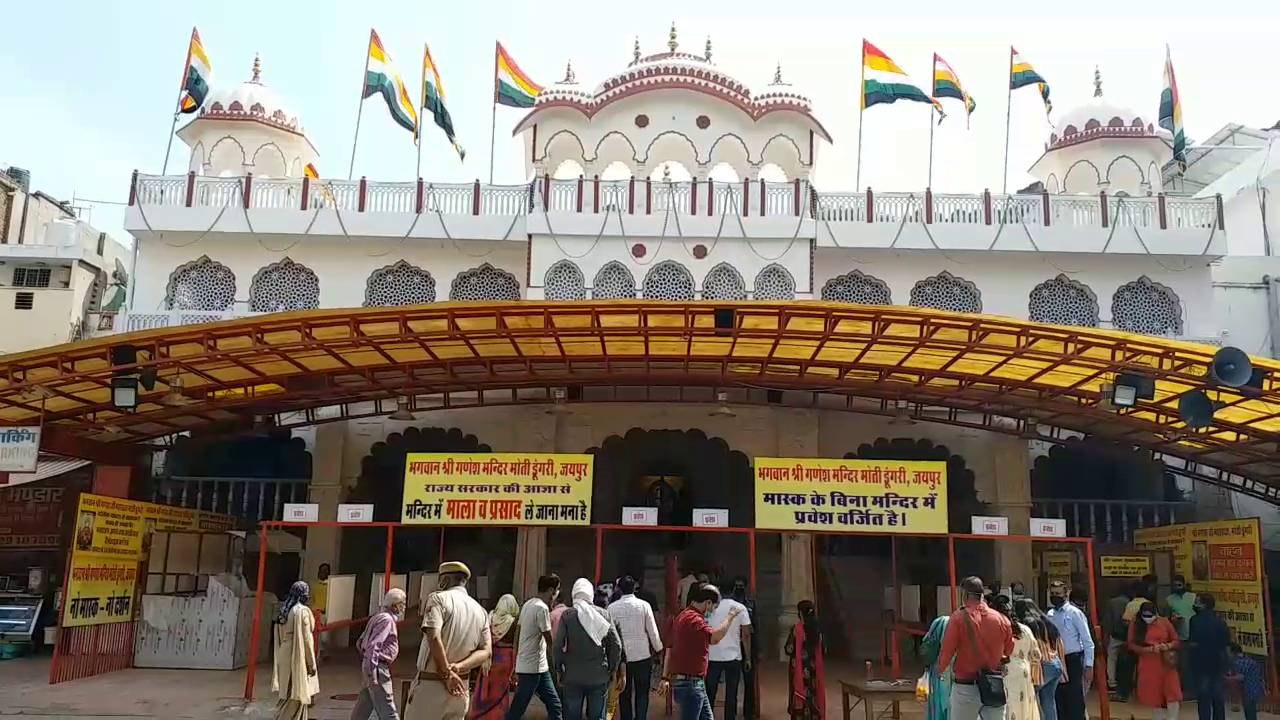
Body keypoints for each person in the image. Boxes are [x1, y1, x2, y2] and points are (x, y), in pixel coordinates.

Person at [405, 561, 492, 720]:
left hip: (431, 688)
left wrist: (447, 674)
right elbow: (486, 651)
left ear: (444, 581)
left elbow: (434, 636)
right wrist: (458, 668)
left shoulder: (438, 599)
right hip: (460, 689)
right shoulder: (480, 611)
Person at [659, 583, 743, 720]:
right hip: (691, 684)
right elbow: (714, 638)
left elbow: (670, 648)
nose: (712, 611)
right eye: (713, 607)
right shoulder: (695, 619)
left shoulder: (682, 616)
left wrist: (665, 677)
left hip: (693, 683)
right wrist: (730, 617)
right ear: (708, 602)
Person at [937, 576, 1014, 720]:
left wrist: (939, 671)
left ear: (964, 594)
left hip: (966, 687)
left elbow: (946, 652)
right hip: (994, 685)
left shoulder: (958, 619)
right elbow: (1009, 649)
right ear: (982, 595)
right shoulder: (1001, 619)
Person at [552, 578, 622, 720]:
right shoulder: (604, 614)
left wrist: (558, 670)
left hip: (572, 676)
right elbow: (616, 645)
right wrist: (612, 669)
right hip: (598, 675)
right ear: (590, 594)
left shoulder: (568, 615)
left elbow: (557, 645)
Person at [607, 575, 663, 720]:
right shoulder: (644, 606)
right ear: (635, 588)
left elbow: (610, 635)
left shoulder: (612, 608)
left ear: (619, 589)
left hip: (622, 659)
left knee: (624, 693)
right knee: (642, 693)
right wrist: (659, 649)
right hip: (642, 656)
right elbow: (652, 630)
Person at [508, 575, 564, 720]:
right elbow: (549, 640)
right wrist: (558, 666)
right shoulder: (542, 608)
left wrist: (516, 663)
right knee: (516, 711)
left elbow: (517, 635)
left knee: (555, 705)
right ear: (551, 590)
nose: (557, 594)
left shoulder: (528, 604)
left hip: (537, 668)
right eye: (557, 590)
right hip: (532, 670)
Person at [351, 588, 406, 720]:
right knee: (388, 708)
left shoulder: (378, 616)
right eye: (402, 604)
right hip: (378, 667)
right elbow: (374, 645)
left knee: (364, 705)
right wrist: (372, 671)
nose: (404, 607)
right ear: (395, 605)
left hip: (371, 665)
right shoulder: (387, 620)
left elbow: (360, 642)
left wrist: (366, 663)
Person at [1045, 582, 1094, 720]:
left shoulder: (1075, 613)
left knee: (1075, 698)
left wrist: (1089, 665)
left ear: (1066, 594)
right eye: (1053, 594)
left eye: (1058, 593)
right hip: (1056, 659)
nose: (1055, 596)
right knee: (1059, 697)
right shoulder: (1050, 614)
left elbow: (1087, 641)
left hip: (1073, 659)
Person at [706, 577, 752, 720]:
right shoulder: (740, 608)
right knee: (732, 693)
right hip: (733, 656)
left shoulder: (710, 608)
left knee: (710, 692)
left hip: (713, 655)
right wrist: (748, 658)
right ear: (733, 590)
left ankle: (708, 716)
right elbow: (746, 635)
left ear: (718, 589)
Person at [272, 581, 319, 720]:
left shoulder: (285, 611)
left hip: (284, 654)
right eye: (306, 593)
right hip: (296, 655)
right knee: (296, 695)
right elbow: (306, 640)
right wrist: (312, 664)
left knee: (287, 694)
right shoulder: (302, 611)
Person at [1128, 601, 1181, 720]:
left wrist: (1167, 646)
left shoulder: (1164, 622)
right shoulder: (1136, 625)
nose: (1148, 619)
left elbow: (1176, 640)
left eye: (1150, 616)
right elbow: (1131, 645)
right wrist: (1149, 649)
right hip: (1148, 664)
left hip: (1166, 662)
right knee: (1155, 695)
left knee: (1172, 693)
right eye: (1145, 616)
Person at [472, 594, 520, 720]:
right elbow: (516, 644)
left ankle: (481, 714)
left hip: (489, 657)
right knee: (500, 690)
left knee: (487, 685)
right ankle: (497, 715)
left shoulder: (490, 617)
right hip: (506, 660)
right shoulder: (514, 622)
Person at [1018, 602, 1066, 720]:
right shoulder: (1048, 623)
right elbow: (1060, 645)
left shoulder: (1028, 624)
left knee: (1030, 699)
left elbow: (1033, 651)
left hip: (1042, 666)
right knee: (1048, 701)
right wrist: (1063, 671)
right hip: (1056, 663)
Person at [994, 599, 1041, 720]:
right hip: (1023, 671)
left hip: (1005, 671)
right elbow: (1036, 654)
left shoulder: (997, 629)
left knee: (1010, 707)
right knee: (1024, 706)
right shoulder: (1024, 629)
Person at [1187, 593, 1230, 720]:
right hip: (1217, 661)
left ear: (1203, 605)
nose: (1194, 604)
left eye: (1197, 601)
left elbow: (1193, 642)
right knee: (1217, 694)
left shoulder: (1195, 620)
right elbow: (1226, 642)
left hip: (1200, 661)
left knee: (1203, 695)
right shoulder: (1220, 622)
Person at [785, 600, 826, 720]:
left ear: (801, 614)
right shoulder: (818, 631)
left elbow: (788, 649)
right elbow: (823, 650)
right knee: (812, 694)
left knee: (799, 694)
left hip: (798, 670)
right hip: (813, 670)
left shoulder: (796, 630)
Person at [728, 579, 760, 720]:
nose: (739, 588)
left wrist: (757, 649)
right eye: (737, 586)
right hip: (733, 645)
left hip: (748, 645)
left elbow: (755, 628)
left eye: (741, 586)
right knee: (732, 683)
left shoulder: (751, 604)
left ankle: (749, 712)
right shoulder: (729, 605)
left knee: (749, 682)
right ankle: (731, 711)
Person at [593, 589, 623, 720]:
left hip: (590, 667)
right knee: (608, 705)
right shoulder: (612, 622)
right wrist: (618, 671)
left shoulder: (585, 620)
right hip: (608, 668)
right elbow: (619, 647)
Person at [920, 613, 953, 720]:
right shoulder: (964, 624)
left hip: (938, 671)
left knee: (937, 705)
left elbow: (927, 648)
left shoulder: (940, 622)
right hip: (955, 673)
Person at [1103, 586, 1133, 698]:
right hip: (1128, 634)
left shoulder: (1112, 602)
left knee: (1112, 657)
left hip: (1115, 634)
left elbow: (1108, 619)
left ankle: (1111, 682)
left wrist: (1107, 633)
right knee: (1129, 659)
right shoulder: (1130, 602)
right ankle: (1128, 681)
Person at [1225, 644, 1262, 720]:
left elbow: (1241, 677)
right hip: (1256, 689)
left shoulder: (1238, 662)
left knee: (1249, 713)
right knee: (1252, 713)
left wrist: (1227, 678)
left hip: (1247, 691)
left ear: (1233, 652)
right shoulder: (1250, 660)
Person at [314, 563, 331, 660]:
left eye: (324, 571)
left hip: (327, 613)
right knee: (318, 636)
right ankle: (319, 656)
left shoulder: (331, 585)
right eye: (320, 571)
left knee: (325, 637)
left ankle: (325, 653)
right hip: (317, 613)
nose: (321, 573)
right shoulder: (316, 585)